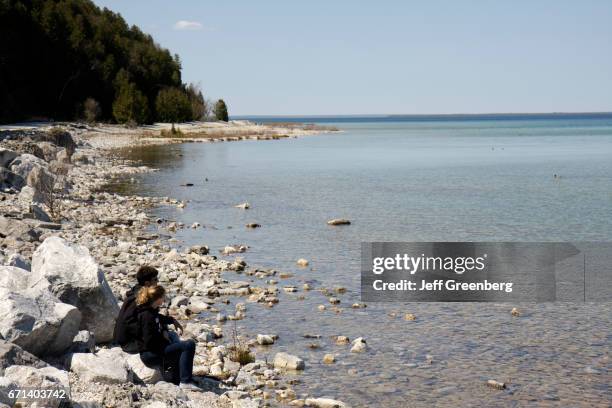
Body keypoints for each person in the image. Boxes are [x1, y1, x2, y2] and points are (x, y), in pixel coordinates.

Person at [136, 285, 199, 391]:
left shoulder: (151, 311)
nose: (164, 299)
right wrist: (165, 340)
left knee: (176, 341)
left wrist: (172, 320)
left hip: (154, 351)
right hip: (151, 354)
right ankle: (185, 382)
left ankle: (177, 378)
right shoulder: (147, 316)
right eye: (163, 296)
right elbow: (148, 341)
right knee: (188, 345)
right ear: (158, 299)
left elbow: (159, 318)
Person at [113, 265, 183, 351]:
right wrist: (160, 332)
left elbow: (153, 316)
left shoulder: (143, 294)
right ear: (147, 283)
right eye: (155, 279)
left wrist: (170, 322)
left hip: (136, 339)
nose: (157, 282)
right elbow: (137, 323)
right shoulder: (139, 299)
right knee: (174, 342)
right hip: (130, 342)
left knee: (171, 336)